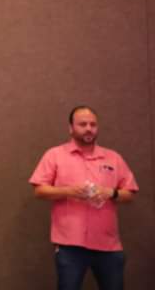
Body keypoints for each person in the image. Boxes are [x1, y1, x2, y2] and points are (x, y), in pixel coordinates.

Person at [29, 105, 138, 290]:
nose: (88, 129)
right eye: (82, 124)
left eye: (93, 124)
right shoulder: (54, 155)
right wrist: (69, 191)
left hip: (108, 246)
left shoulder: (113, 158)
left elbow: (130, 193)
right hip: (70, 246)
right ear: (71, 128)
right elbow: (39, 190)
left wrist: (111, 193)